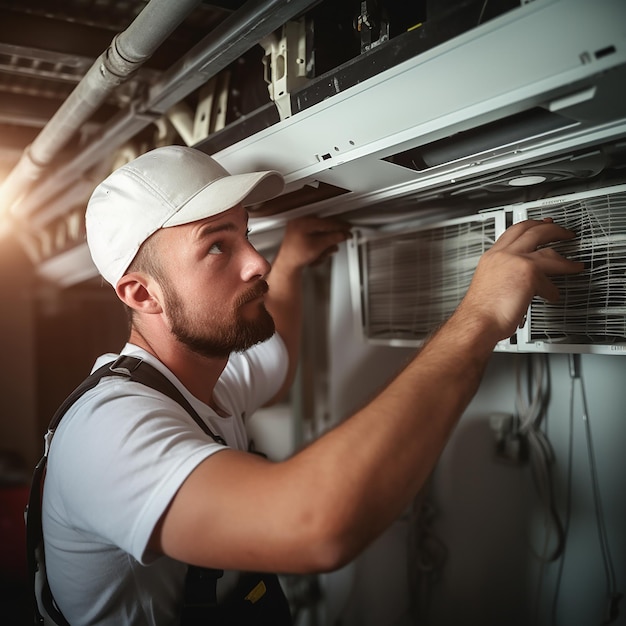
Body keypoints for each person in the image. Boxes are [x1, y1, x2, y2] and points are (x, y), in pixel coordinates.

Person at [41, 145, 583, 625]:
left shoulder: (200, 384)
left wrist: (294, 263)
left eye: (246, 234)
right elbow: (315, 525)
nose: (258, 263)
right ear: (140, 295)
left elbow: (273, 364)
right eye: (216, 247)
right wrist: (481, 317)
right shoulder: (107, 430)